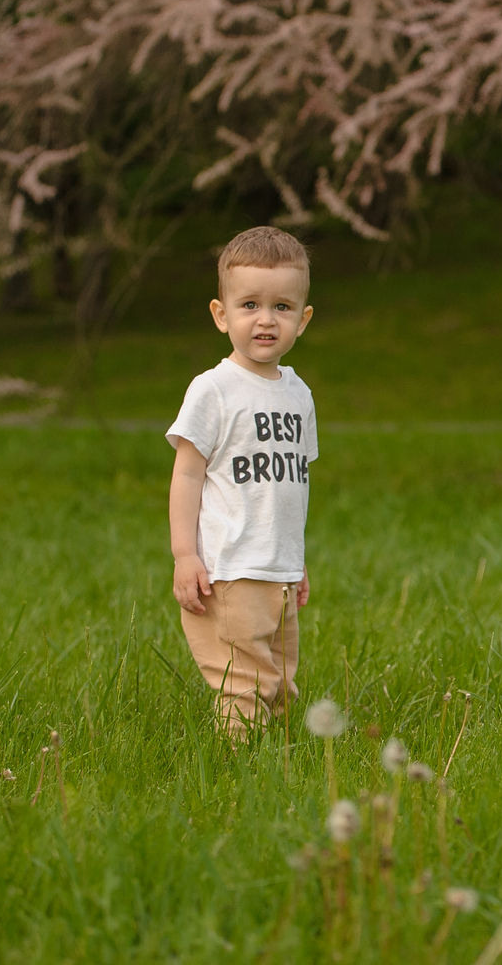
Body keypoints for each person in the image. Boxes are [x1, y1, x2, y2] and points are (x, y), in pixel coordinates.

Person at [166, 225, 319, 736]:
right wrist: (185, 555)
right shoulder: (214, 389)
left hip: (275, 568)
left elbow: (291, 489)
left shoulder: (298, 394)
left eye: (282, 307)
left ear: (303, 319)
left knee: (280, 682)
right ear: (221, 314)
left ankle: (275, 763)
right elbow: (187, 474)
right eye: (250, 304)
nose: (265, 320)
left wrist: (295, 563)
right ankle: (236, 772)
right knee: (243, 683)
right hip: (229, 567)